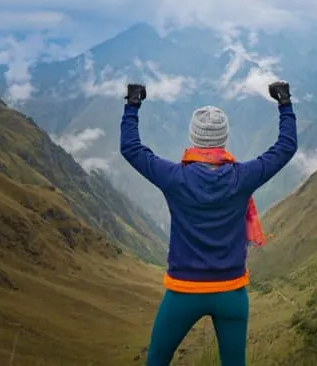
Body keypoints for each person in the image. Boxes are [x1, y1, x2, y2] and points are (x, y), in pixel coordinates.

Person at [119, 80, 298, 366]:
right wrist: (284, 104)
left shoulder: (174, 177)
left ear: (193, 137)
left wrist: (133, 104)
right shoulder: (243, 177)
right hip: (231, 292)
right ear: (224, 138)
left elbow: (131, 148)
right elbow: (285, 148)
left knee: (157, 361)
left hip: (183, 292)